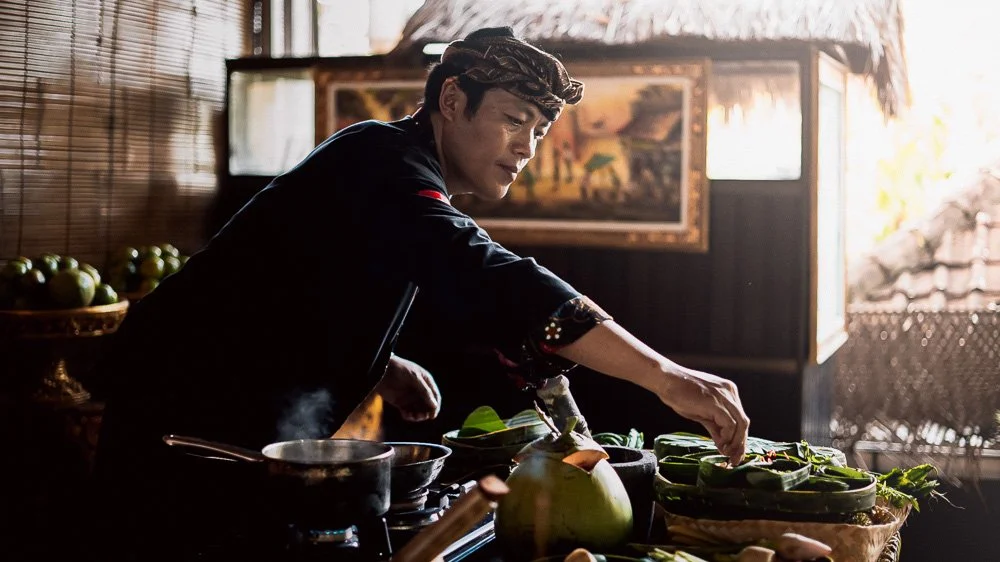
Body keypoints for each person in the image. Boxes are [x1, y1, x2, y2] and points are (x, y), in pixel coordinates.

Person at [90, 26, 749, 557]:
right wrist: (664, 375)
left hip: (219, 423)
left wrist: (382, 365)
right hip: (181, 430)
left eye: (539, 133)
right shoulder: (382, 160)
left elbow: (293, 288)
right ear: (453, 101)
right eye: (514, 120)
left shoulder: (393, 167)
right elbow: (491, 274)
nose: (527, 148)